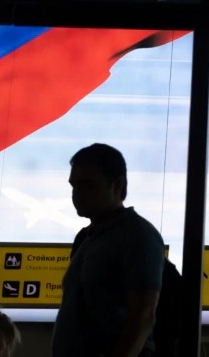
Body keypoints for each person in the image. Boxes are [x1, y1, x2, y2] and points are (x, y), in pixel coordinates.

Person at [52, 144, 164, 357]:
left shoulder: (138, 234)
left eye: (88, 185)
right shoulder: (85, 238)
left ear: (118, 185)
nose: (77, 194)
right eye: (74, 186)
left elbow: (143, 316)